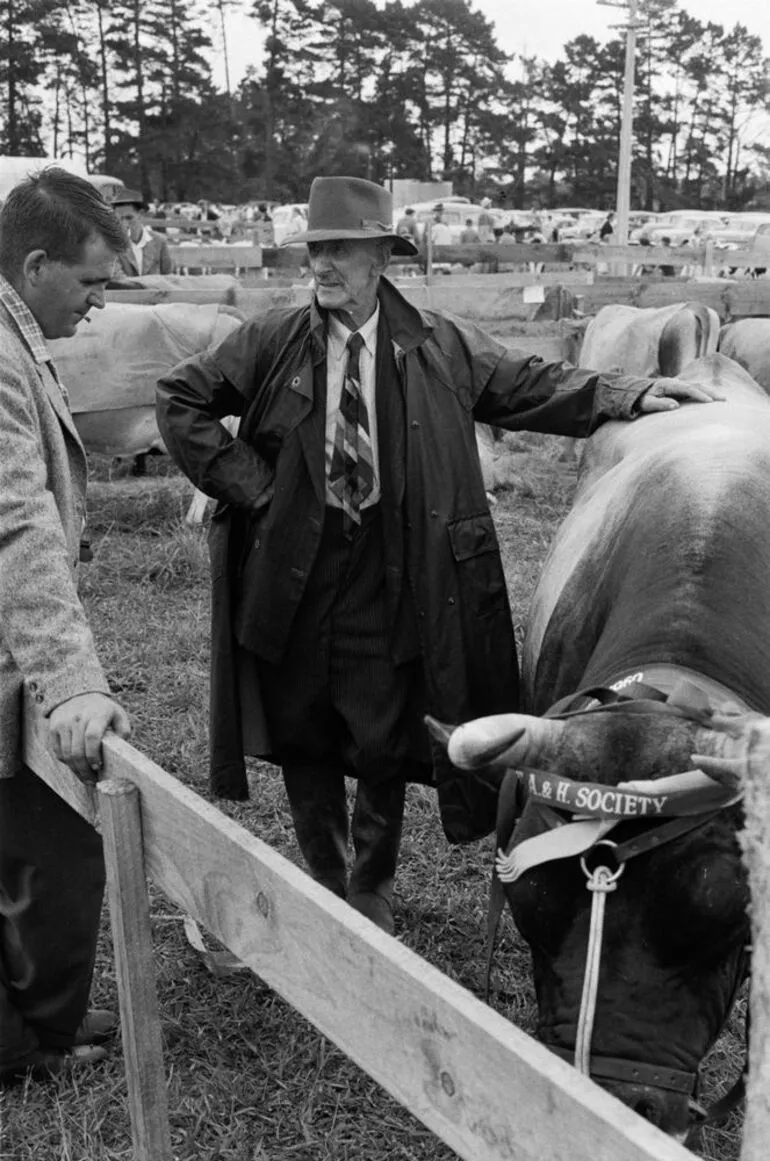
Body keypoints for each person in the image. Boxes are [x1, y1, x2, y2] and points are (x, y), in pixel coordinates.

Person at [155, 175, 722, 937]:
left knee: (385, 733)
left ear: (381, 256)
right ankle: (324, 876)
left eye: (342, 251)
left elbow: (530, 384)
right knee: (304, 731)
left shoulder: (438, 343)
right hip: (292, 576)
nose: (323, 266)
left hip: (391, 576)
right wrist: (251, 485)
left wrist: (625, 395)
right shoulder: (272, 340)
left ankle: (371, 879)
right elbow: (179, 397)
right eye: (317, 249)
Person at [0, 167, 132, 1084]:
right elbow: (15, 519)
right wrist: (71, 678)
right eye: (89, 284)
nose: (96, 305)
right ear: (36, 262)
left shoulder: (17, 329)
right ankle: (27, 1041)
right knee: (53, 842)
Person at [111, 187, 173, 276]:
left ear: (141, 215)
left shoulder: (160, 242)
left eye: (129, 218)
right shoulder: (111, 245)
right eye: (119, 219)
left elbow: (168, 276)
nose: (124, 224)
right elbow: (119, 280)